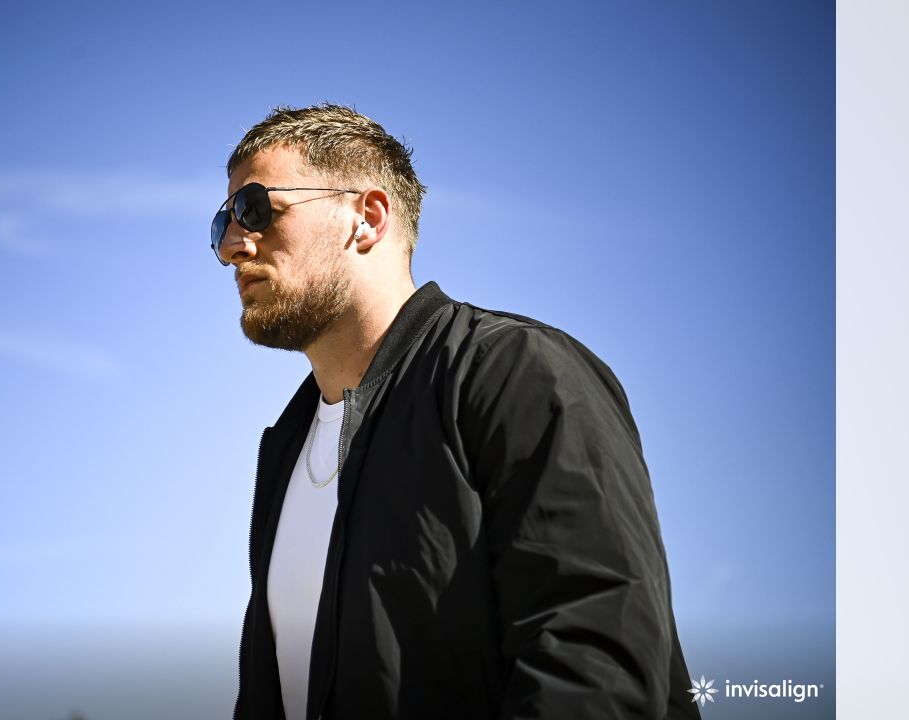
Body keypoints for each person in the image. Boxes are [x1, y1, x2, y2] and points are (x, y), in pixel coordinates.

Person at [214, 104, 700, 720]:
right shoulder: (286, 449)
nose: (232, 246)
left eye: (256, 209)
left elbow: (593, 651)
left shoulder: (517, 374)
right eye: (221, 223)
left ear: (366, 218)